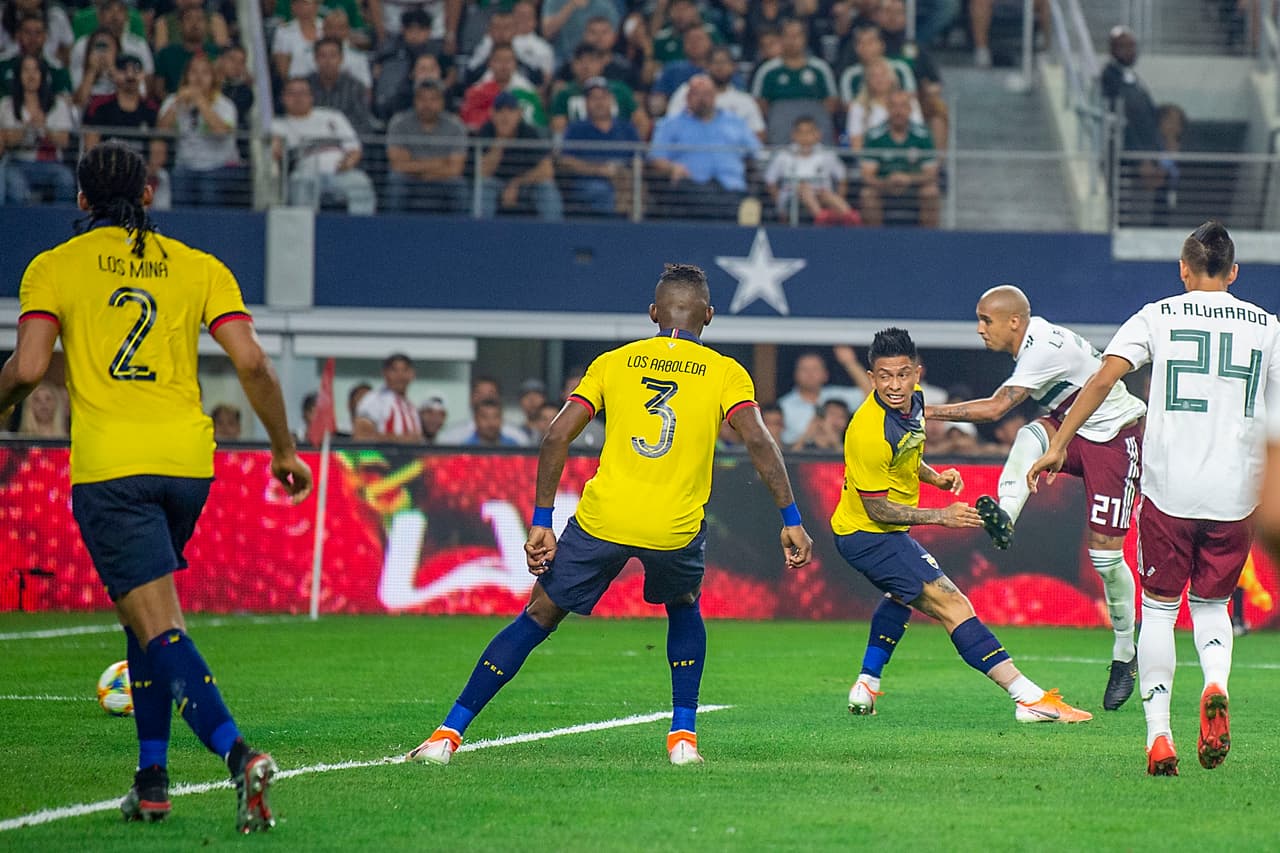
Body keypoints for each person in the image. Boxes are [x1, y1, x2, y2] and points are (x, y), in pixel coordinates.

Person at [0, 141, 312, 830]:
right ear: (148, 195)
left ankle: (240, 755)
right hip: (188, 465)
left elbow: (26, 369)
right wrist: (284, 448)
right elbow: (254, 362)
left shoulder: (53, 266)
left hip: (113, 468)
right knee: (142, 618)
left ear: (80, 200)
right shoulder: (199, 267)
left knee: (160, 624)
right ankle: (150, 781)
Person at [407, 263, 814, 766]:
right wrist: (790, 517)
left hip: (604, 519)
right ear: (708, 317)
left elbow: (557, 434)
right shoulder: (727, 373)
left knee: (538, 614)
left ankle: (448, 734)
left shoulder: (613, 362)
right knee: (684, 605)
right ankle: (683, 738)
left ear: (651, 314)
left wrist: (541, 519)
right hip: (673, 526)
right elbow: (757, 438)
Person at [1028, 222, 1280, 776]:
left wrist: (1059, 442)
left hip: (1170, 490)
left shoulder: (1158, 314)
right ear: (1234, 273)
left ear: (1184, 270)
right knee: (1214, 606)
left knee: (1162, 610)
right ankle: (1215, 683)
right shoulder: (1267, 327)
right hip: (1236, 492)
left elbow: (1100, 381)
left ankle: (1159, 737)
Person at [837, 327, 1092, 724]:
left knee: (902, 595)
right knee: (954, 604)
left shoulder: (914, 406)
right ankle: (1028, 698)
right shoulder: (868, 430)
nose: (894, 384)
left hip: (878, 533)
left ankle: (866, 684)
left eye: (902, 374)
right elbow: (876, 509)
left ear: (917, 373)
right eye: (884, 376)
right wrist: (941, 514)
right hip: (868, 534)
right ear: (871, 379)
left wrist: (934, 477)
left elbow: (902, 459)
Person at [924, 284, 1147, 709]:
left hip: (1116, 438)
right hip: (1071, 429)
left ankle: (1124, 653)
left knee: (1104, 559)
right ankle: (1004, 517)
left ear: (1014, 321)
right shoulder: (1036, 338)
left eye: (986, 320)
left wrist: (925, 410)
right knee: (1032, 433)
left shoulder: (1040, 347)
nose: (979, 329)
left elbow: (994, 409)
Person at [648, 73, 760, 221]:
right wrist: (672, 168)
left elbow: (756, 152)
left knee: (744, 197)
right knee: (688, 190)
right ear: (687, 98)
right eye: (696, 94)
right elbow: (655, 157)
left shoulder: (735, 122)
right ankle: (737, 211)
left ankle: (733, 209)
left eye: (706, 94)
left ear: (715, 96)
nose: (702, 99)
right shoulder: (670, 124)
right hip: (692, 187)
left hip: (731, 187)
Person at [271, 76, 376, 215]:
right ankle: (303, 231)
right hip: (306, 173)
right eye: (292, 94)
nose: (298, 98)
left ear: (311, 97)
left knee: (360, 183)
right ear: (283, 98)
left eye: (303, 93)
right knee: (299, 182)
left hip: (340, 172)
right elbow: (276, 152)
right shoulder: (277, 125)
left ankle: (361, 230)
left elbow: (354, 148)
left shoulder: (332, 116)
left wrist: (348, 163)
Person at [158, 54, 243, 208]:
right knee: (178, 180)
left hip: (218, 166)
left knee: (208, 186)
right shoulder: (173, 101)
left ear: (213, 78)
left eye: (205, 73)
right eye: (194, 72)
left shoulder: (225, 104)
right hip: (185, 165)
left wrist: (201, 102)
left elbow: (221, 132)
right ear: (186, 77)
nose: (198, 78)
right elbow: (161, 131)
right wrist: (177, 104)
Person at [82, 53, 167, 188]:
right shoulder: (99, 106)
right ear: (113, 73)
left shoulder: (152, 109)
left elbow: (158, 152)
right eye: (123, 70)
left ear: (143, 75)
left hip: (141, 177)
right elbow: (91, 146)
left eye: (136, 70)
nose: (130, 76)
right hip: (106, 175)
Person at [558, 76, 640, 216]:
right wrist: (599, 170)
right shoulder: (576, 129)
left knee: (639, 192)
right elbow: (565, 160)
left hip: (624, 179)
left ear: (611, 100)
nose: (599, 103)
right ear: (586, 103)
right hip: (590, 182)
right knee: (602, 192)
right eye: (594, 98)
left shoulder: (626, 128)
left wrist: (624, 173)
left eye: (603, 97)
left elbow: (639, 157)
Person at [0, 52, 76, 203]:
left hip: (51, 164)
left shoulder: (57, 104)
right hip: (17, 162)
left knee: (66, 180)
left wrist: (45, 128)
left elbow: (64, 141)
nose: (31, 75)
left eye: (35, 70)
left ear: (43, 75)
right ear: (18, 75)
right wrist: (27, 127)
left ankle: (59, 225)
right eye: (26, 70)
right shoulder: (7, 104)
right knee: (16, 186)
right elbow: (6, 140)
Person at [475, 91, 562, 221]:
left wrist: (516, 183)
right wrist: (500, 140)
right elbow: (482, 172)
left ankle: (555, 234)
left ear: (519, 113)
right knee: (484, 187)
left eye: (510, 110)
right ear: (492, 114)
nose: (505, 116)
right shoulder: (486, 131)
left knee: (546, 187)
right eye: (500, 111)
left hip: (525, 183)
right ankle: (481, 234)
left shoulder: (529, 132)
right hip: (496, 183)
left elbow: (547, 170)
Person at [385, 78, 467, 214]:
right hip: (409, 180)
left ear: (442, 102)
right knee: (396, 181)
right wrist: (439, 163)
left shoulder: (456, 126)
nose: (427, 104)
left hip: (442, 181)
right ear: (414, 101)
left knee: (459, 186)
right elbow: (398, 165)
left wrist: (416, 166)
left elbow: (455, 169)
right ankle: (393, 230)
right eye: (422, 99)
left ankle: (461, 233)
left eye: (433, 99)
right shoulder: (399, 123)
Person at [859, 89, 939, 228]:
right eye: (894, 106)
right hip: (883, 189)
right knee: (867, 194)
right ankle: (874, 242)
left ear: (909, 109)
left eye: (903, 106)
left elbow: (931, 173)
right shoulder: (874, 136)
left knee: (931, 192)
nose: (898, 111)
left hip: (914, 189)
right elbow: (867, 176)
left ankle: (928, 240)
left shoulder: (923, 135)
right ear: (887, 109)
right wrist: (886, 183)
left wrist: (909, 179)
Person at [764, 114, 858, 225]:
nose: (805, 137)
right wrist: (780, 203)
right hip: (793, 200)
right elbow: (770, 182)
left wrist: (839, 196)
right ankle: (821, 217)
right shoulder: (783, 155)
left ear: (817, 134)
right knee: (804, 188)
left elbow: (842, 178)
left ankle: (850, 216)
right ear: (794, 135)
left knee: (826, 194)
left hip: (822, 197)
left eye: (809, 132)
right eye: (801, 133)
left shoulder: (827, 155)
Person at [776, 347, 870, 445]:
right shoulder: (784, 405)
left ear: (825, 374)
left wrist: (850, 363)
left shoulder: (836, 396)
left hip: (837, 458)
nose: (810, 374)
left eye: (815, 369)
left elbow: (870, 394)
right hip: (798, 459)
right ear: (795, 374)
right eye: (804, 369)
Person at [306, 35, 375, 137]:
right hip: (312, 140)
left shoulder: (355, 87)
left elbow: (362, 122)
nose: (328, 61)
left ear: (341, 58)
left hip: (346, 142)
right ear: (315, 59)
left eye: (333, 55)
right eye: (323, 56)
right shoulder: (305, 85)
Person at [353, 352, 424, 443]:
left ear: (412, 374)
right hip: (380, 456)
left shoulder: (411, 407)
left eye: (405, 370)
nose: (400, 375)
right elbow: (361, 436)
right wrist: (400, 440)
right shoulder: (374, 400)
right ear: (385, 373)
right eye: (394, 370)